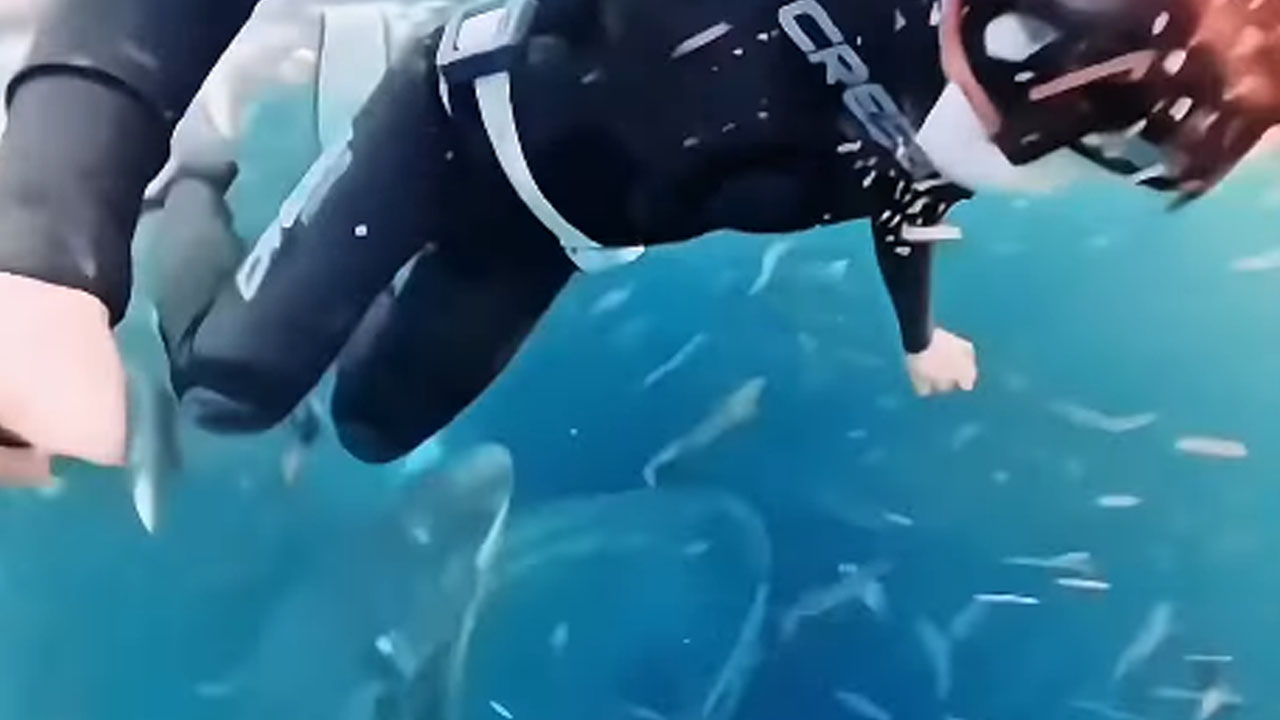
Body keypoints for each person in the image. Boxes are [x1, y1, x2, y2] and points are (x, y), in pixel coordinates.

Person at [0, 0, 1276, 471]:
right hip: (444, 119)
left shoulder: (975, 136)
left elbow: (909, 208)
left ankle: (310, 275)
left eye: (1109, 144)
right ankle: (198, 179)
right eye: (1061, 93)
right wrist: (57, 227)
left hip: (550, 234)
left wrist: (921, 335)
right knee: (228, 394)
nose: (1027, 148)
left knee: (373, 432)